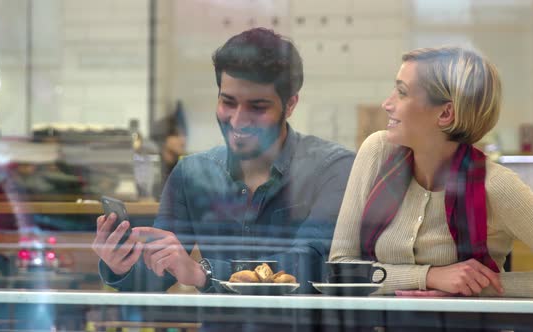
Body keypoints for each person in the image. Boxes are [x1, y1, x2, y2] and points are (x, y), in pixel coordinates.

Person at [93, 27, 355, 297]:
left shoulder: (334, 168)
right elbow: (156, 275)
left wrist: (204, 272)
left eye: (258, 107)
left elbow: (309, 263)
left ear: (290, 105)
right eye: (228, 102)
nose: (238, 120)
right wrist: (120, 265)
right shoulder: (192, 174)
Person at [329, 46, 533, 297]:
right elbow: (340, 270)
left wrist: (483, 286)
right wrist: (429, 277)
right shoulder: (377, 152)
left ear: (445, 113)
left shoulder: (496, 185)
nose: (387, 104)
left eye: (402, 92)